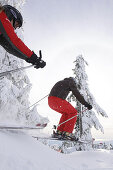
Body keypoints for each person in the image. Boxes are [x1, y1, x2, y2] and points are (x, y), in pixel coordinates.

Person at [0, 4, 46, 69]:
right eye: (16, 24)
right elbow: (14, 40)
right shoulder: (2, 16)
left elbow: (9, 47)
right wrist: (33, 57)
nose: (14, 28)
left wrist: (29, 58)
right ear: (12, 14)